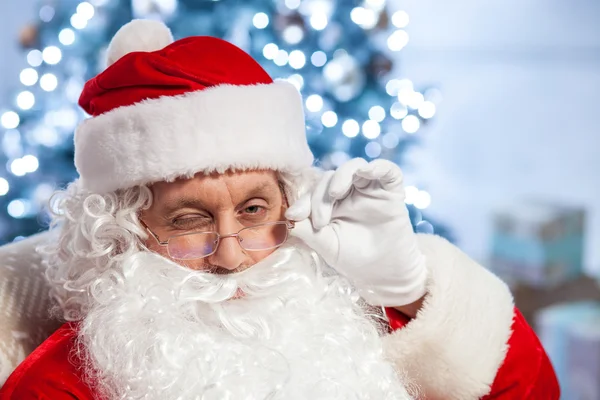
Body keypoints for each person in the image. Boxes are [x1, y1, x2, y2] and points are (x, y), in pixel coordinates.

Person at [0, 19, 559, 400]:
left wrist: (410, 288)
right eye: (189, 220)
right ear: (124, 230)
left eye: (253, 210)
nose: (232, 256)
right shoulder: (64, 381)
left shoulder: (354, 312)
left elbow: (535, 390)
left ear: (290, 204)